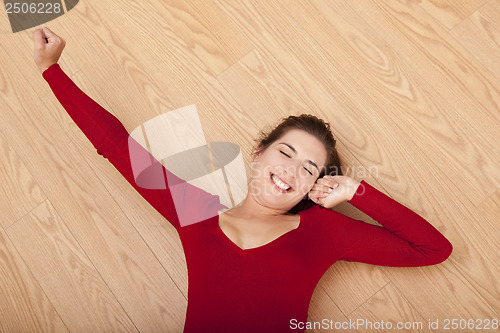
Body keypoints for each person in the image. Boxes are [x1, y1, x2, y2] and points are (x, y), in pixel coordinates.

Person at [33, 26, 453, 333]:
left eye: (309, 168)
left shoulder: (326, 230)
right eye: (285, 152)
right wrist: (52, 71)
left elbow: (433, 249)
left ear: (314, 187)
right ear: (258, 155)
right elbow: (115, 144)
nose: (291, 169)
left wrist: (355, 191)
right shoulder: (195, 213)